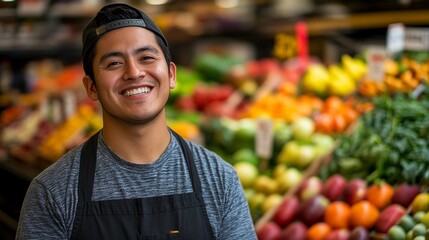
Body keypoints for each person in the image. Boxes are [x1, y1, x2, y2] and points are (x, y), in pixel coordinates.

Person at [15, 3, 257, 240]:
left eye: (147, 58)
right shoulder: (52, 192)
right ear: (91, 87)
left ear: (171, 75)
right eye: (114, 63)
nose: (134, 72)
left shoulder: (219, 179)